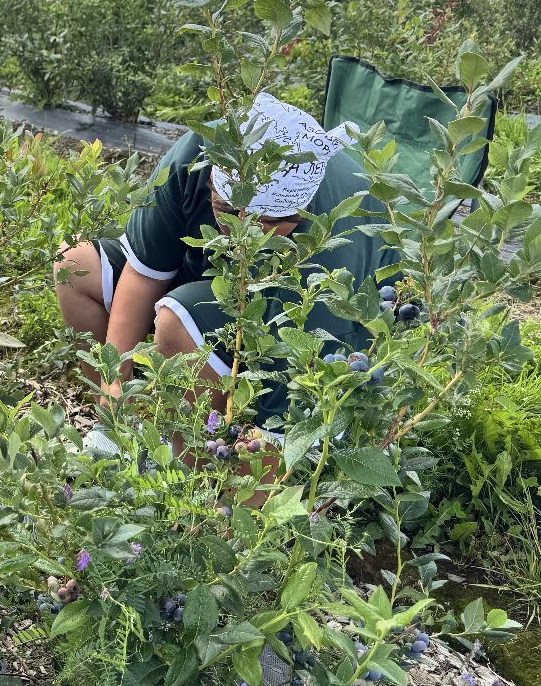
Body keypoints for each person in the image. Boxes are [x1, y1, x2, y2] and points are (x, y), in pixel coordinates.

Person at [54, 92, 392, 435]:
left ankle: (195, 450)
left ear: (301, 214)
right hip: (207, 277)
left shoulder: (333, 244)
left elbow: (299, 422)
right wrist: (115, 380)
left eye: (268, 224)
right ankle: (123, 417)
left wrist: (259, 454)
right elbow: (144, 273)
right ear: (212, 178)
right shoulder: (195, 153)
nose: (242, 232)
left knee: (176, 319)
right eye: (227, 211)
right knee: (74, 265)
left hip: (293, 315)